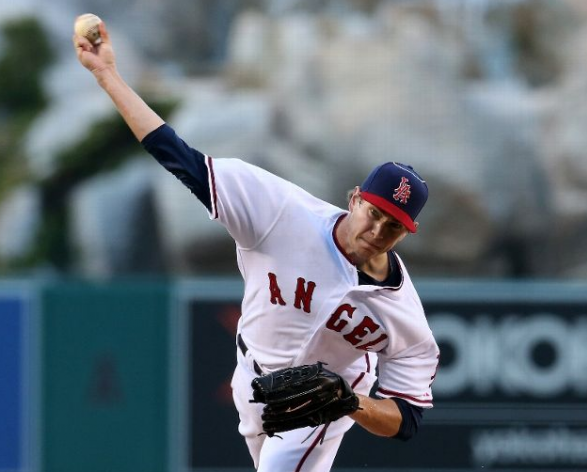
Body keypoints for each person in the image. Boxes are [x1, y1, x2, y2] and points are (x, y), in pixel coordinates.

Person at [74, 21, 440, 472]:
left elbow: (407, 420)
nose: (379, 228)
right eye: (375, 212)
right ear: (355, 199)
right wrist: (107, 75)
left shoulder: (403, 314)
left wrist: (349, 403)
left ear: (408, 233)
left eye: (394, 224)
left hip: (321, 409)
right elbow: (179, 157)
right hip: (250, 377)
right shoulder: (281, 211)